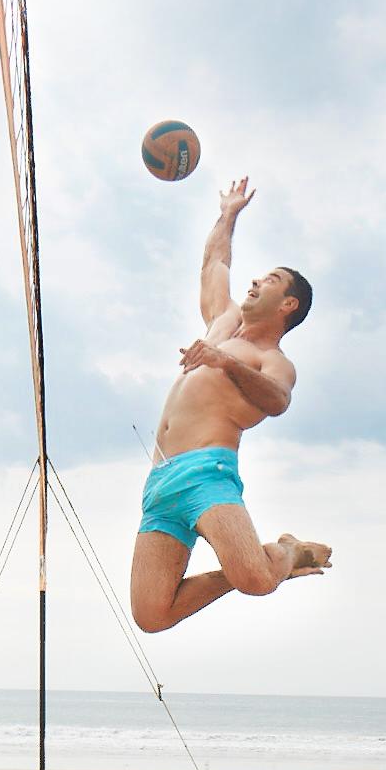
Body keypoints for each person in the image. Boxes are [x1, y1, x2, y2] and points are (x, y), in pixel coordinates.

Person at [129, 177, 329, 632]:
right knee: (151, 615)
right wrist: (228, 215)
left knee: (257, 582)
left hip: (207, 474)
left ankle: (283, 553)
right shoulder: (223, 320)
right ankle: (247, 566)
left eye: (271, 281)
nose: (256, 282)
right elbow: (215, 261)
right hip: (160, 482)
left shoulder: (272, 360)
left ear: (288, 305)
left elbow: (277, 400)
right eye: (259, 277)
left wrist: (224, 362)